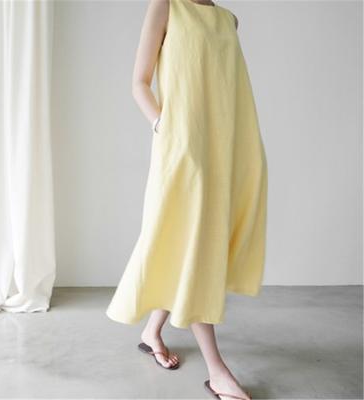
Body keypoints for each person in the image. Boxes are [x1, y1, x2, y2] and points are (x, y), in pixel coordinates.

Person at [106, 1, 268, 399]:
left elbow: (228, 89)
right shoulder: (166, 6)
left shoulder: (228, 19)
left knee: (186, 243)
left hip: (221, 149)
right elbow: (139, 82)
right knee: (196, 245)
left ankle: (152, 332)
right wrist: (166, 126)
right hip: (182, 150)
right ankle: (217, 370)